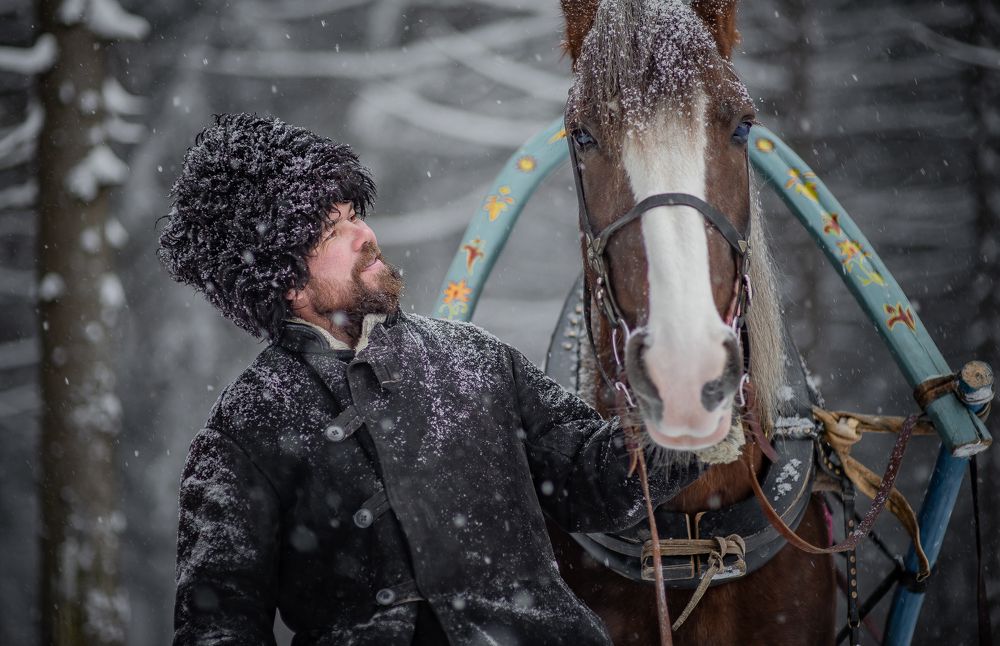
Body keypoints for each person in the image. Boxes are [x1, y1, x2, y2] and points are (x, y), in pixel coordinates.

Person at [159, 113, 700, 646]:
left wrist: (681, 410)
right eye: (332, 229)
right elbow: (217, 629)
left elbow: (596, 482)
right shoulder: (242, 433)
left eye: (355, 214)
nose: (366, 235)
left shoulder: (479, 360)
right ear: (284, 281)